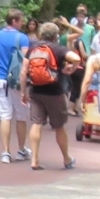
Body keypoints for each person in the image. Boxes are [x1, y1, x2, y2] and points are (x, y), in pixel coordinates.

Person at [22, 21, 76, 171]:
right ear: (56, 35)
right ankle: (66, 158)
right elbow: (76, 58)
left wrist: (23, 91)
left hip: (35, 90)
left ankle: (34, 159)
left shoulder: (32, 49)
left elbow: (24, 71)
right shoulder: (58, 49)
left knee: (36, 123)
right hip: (54, 91)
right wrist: (71, 69)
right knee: (59, 126)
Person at [0, 9, 31, 164]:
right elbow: (26, 62)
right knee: (21, 116)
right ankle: (21, 149)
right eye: (21, 20)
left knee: (5, 116)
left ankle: (6, 152)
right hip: (17, 81)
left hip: (1, 80)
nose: (23, 23)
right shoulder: (22, 38)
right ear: (14, 21)